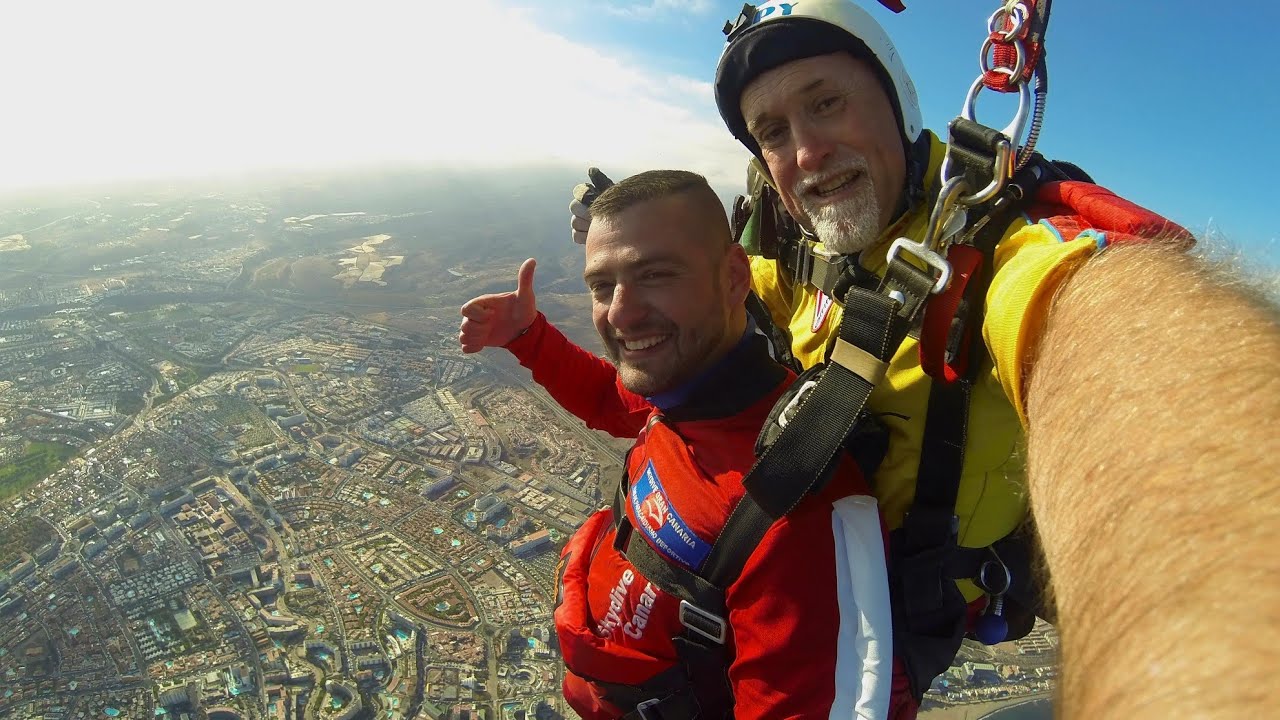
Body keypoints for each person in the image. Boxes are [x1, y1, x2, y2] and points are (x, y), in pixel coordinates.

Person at [568, 2, 1280, 716]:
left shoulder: (1000, 261)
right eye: (774, 133)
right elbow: (732, 286)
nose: (807, 154)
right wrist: (642, 249)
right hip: (776, 593)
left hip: (877, 634)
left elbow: (1144, 369)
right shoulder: (800, 249)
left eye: (827, 103)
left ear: (896, 103)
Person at [461, 170, 918, 719]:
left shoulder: (793, 507)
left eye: (655, 275)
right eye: (602, 286)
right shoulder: (686, 399)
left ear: (732, 278)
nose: (621, 314)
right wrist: (527, 336)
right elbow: (612, 401)